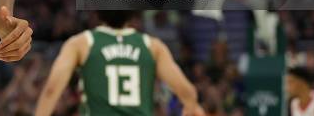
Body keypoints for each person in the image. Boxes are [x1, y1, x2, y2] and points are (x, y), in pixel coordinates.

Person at [35, 11, 205, 116]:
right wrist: (191, 106)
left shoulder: (81, 43)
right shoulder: (152, 46)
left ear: (97, 11)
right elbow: (187, 91)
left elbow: (51, 90)